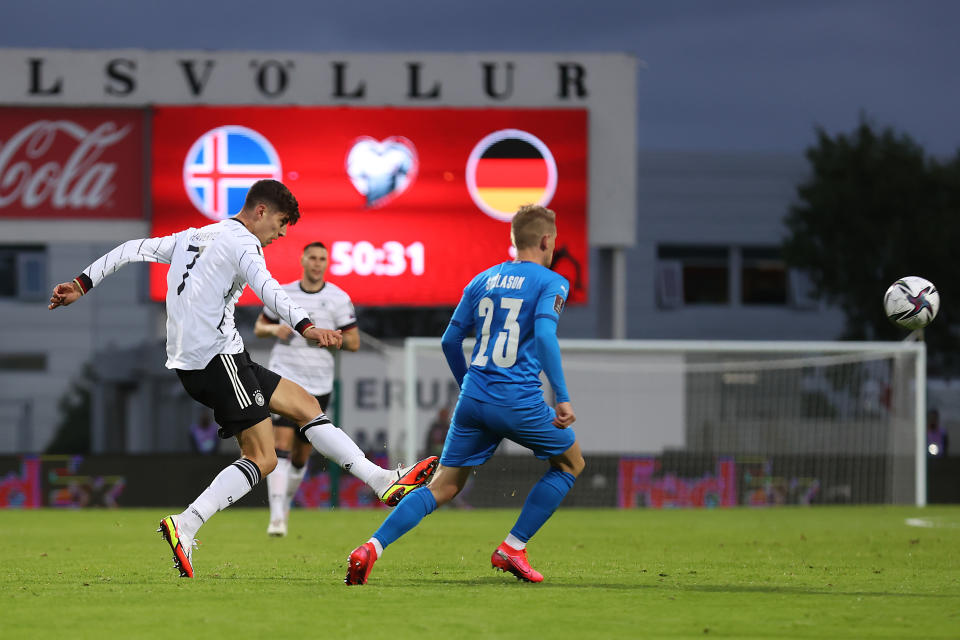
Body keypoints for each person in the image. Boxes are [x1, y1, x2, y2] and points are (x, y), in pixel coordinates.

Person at [48, 179, 438, 578]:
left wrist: (82, 283)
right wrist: (307, 327)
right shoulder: (243, 243)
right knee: (263, 457)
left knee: (306, 405)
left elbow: (131, 249)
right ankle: (187, 523)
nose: (283, 234)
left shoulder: (193, 236)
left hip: (201, 361)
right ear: (261, 211)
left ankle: (381, 480)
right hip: (218, 360)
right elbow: (267, 289)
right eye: (282, 223)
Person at [345, 204, 585, 585]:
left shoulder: (482, 280)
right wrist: (563, 396)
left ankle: (370, 548)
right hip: (519, 399)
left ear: (513, 240)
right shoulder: (551, 281)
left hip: (474, 398)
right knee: (571, 463)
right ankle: (513, 547)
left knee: (443, 486)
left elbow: (450, 340)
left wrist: (468, 384)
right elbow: (543, 335)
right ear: (546, 241)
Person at [255, 241, 360, 537]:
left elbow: (353, 342)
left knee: (301, 457)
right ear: (302, 259)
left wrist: (328, 338)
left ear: (327, 263)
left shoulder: (338, 298)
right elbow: (260, 326)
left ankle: (283, 503)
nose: (316, 263)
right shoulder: (283, 293)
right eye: (312, 257)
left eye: (322, 259)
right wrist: (275, 329)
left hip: (318, 383)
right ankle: (276, 517)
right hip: (284, 377)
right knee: (281, 445)